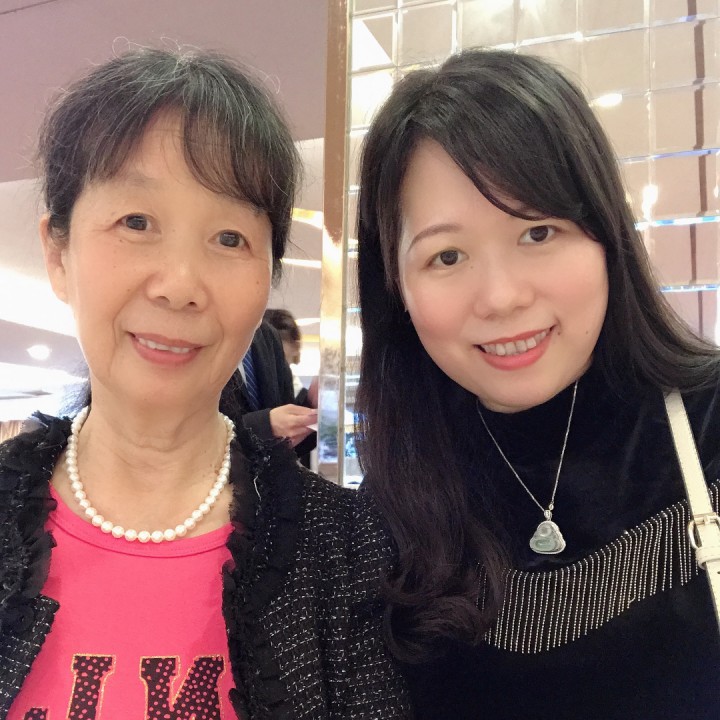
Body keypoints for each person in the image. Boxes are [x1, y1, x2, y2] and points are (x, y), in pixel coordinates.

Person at [0, 47, 407, 719]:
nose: (181, 285)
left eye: (229, 238)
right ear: (57, 253)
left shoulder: (348, 550)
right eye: (137, 223)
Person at [355, 48, 720, 719]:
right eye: (447, 255)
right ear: (396, 288)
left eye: (539, 231)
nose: (501, 297)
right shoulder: (387, 508)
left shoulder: (709, 425)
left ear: (606, 235)